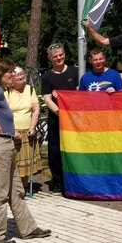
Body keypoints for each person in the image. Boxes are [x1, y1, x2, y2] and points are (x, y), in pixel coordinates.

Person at [0, 60, 51, 243]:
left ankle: (28, 228)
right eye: (9, 72)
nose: (12, 75)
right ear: (0, 74)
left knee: (16, 190)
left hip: (6, 144)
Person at [41, 43, 78, 194]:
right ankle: (57, 182)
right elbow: (47, 99)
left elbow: (79, 93)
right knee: (55, 152)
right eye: (55, 56)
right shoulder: (47, 77)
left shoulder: (75, 71)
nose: (59, 58)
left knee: (73, 149)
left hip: (74, 118)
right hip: (56, 119)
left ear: (64, 54)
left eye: (60, 55)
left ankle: (73, 180)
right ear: (50, 58)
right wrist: (60, 113)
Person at [5, 66, 41, 190]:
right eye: (17, 75)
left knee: (26, 164)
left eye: (22, 74)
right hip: (12, 132)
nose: (21, 77)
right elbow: (3, 114)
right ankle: (13, 187)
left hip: (28, 130)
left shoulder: (30, 90)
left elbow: (36, 110)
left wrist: (33, 126)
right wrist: (12, 130)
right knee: (13, 162)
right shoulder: (6, 92)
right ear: (12, 79)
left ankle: (24, 188)